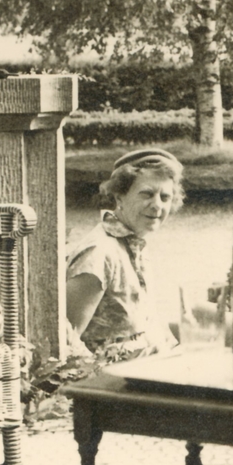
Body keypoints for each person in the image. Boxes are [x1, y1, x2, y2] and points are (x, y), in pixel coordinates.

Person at [67, 147, 184, 360]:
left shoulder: (134, 246)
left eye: (165, 197)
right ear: (119, 197)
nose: (157, 205)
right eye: (147, 194)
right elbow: (66, 342)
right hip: (114, 378)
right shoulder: (99, 254)